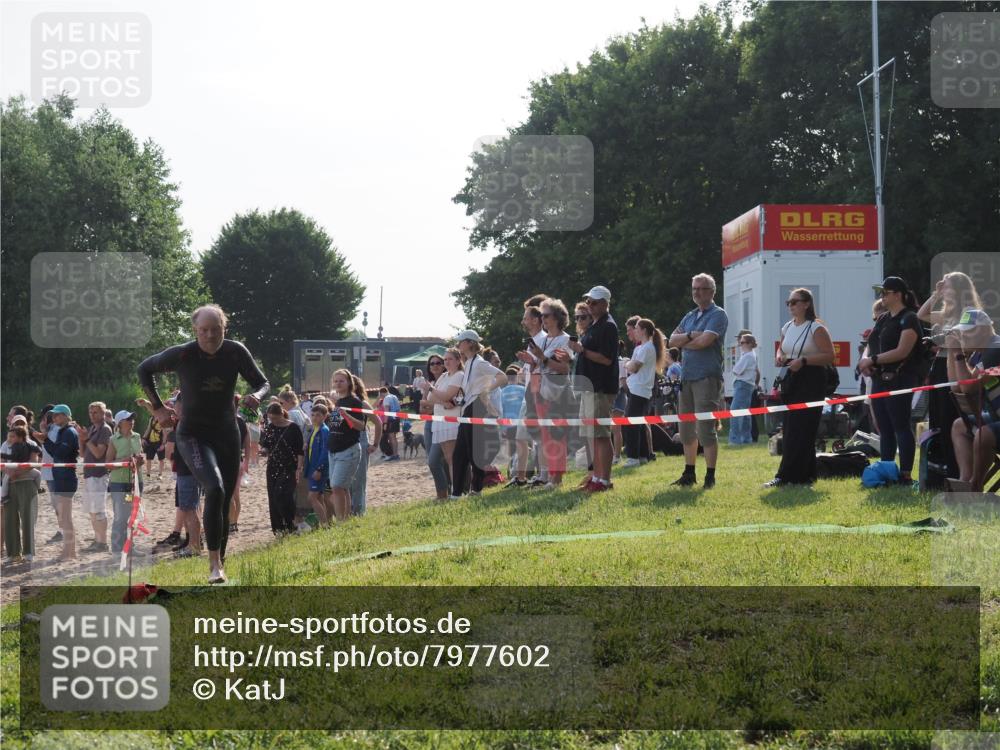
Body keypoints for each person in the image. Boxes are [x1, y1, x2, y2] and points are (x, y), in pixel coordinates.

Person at [137, 303, 269, 584]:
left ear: (224, 328)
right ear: (196, 330)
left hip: (227, 432)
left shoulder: (235, 351)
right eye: (204, 330)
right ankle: (213, 565)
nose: (210, 335)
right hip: (193, 433)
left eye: (216, 330)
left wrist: (256, 395)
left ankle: (220, 561)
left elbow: (263, 382)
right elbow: (144, 369)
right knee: (214, 486)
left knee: (222, 501)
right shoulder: (183, 353)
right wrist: (159, 408)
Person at [763, 290, 836, 487]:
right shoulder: (787, 327)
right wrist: (780, 356)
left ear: (806, 304)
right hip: (792, 380)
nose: (790, 306)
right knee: (790, 428)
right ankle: (803, 475)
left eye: (795, 302)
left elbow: (829, 356)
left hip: (811, 381)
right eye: (789, 302)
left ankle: (786, 475)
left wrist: (803, 361)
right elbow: (782, 348)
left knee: (803, 429)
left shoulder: (816, 328)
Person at [919, 271, 984, 484]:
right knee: (938, 420)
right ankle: (943, 470)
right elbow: (922, 314)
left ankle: (957, 472)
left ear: (958, 290)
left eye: (947, 287)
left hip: (957, 367)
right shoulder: (947, 313)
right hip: (940, 367)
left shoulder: (968, 313)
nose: (944, 290)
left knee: (951, 418)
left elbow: (968, 341)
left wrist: (947, 341)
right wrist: (936, 294)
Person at [858, 277, 922, 486]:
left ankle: (905, 474)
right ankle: (887, 470)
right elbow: (873, 346)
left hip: (900, 379)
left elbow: (903, 351)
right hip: (879, 379)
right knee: (884, 428)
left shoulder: (909, 318)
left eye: (885, 292)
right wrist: (867, 364)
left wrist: (873, 360)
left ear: (898, 294)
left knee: (901, 425)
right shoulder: (883, 318)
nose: (882, 296)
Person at [668, 273, 729, 488]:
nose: (697, 292)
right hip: (687, 378)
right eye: (694, 288)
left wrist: (687, 340)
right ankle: (689, 472)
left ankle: (710, 476)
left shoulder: (718, 315)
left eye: (701, 288)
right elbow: (671, 341)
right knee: (685, 430)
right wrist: (692, 336)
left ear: (712, 292)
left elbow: (705, 342)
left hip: (707, 378)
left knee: (705, 430)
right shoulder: (690, 316)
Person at [567, 286, 620, 492]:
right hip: (590, 388)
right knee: (593, 436)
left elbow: (607, 359)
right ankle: (596, 477)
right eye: (588, 301)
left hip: (601, 387)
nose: (590, 305)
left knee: (601, 435)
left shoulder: (608, 326)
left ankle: (604, 480)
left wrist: (583, 350)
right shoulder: (595, 325)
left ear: (606, 303)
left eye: (594, 302)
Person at [946, 309, 1000, 492]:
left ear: (984, 330)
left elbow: (969, 386)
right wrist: (953, 353)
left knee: (983, 434)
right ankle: (965, 480)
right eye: (962, 332)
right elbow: (956, 386)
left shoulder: (995, 348)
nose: (964, 336)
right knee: (959, 426)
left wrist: (958, 354)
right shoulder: (980, 352)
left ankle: (975, 487)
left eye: (968, 332)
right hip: (996, 416)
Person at [450, 331, 506, 497]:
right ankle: (457, 493)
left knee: (474, 451)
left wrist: (486, 390)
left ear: (470, 343)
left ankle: (476, 489)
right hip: (469, 407)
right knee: (460, 452)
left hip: (477, 407)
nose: (458, 344)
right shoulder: (468, 363)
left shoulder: (480, 363)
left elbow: (502, 377)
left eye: (460, 342)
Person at [527, 298, 574, 488]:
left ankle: (557, 478)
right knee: (545, 435)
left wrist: (541, 358)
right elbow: (542, 364)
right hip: (541, 391)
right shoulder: (545, 340)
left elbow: (564, 369)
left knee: (556, 435)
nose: (542, 319)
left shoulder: (566, 340)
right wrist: (531, 361)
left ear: (557, 317)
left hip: (557, 392)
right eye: (541, 315)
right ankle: (549, 475)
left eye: (545, 315)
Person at [511, 303, 551, 487]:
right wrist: (525, 367)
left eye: (526, 317)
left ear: (536, 320)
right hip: (529, 392)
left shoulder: (544, 339)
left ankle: (544, 475)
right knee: (521, 436)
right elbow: (533, 365)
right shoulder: (532, 341)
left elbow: (546, 366)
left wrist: (532, 362)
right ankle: (519, 477)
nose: (523, 321)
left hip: (539, 393)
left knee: (539, 437)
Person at [36, 404, 79, 560]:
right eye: (53, 416)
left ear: (66, 416)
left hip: (65, 478)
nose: (54, 418)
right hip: (62, 477)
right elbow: (57, 453)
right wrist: (46, 439)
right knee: (64, 517)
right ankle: (69, 552)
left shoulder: (68, 432)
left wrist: (45, 440)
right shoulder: (64, 431)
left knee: (65, 517)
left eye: (57, 415)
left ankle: (69, 552)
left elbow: (59, 453)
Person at [623, 318, 667, 466]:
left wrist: (627, 363)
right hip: (637, 388)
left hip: (640, 389)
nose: (634, 330)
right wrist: (630, 364)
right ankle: (642, 455)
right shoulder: (639, 348)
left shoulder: (648, 347)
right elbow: (633, 365)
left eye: (636, 328)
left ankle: (632, 457)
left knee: (631, 424)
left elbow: (634, 366)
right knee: (638, 424)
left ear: (643, 331)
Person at [327, 369, 366, 520]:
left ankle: (341, 521)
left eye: (341, 380)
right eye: (335, 381)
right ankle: (346, 519)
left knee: (337, 487)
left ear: (349, 382)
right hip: (334, 450)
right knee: (340, 488)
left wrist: (346, 415)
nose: (338, 383)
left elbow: (361, 426)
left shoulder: (355, 401)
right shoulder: (338, 402)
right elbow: (334, 425)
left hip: (348, 450)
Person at [260, 402, 304, 535]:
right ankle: (279, 529)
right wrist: (263, 450)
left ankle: (291, 523)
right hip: (273, 467)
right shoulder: (269, 428)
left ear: (281, 415)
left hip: (289, 467)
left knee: (283, 495)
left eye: (274, 418)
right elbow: (266, 445)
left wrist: (299, 468)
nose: (272, 421)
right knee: (273, 497)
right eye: (270, 418)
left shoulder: (293, 427)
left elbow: (299, 450)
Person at [105, 410, 145, 556]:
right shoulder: (113, 439)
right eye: (128, 419)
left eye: (132, 418)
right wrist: (126, 461)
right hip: (119, 483)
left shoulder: (137, 436)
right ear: (120, 423)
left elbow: (140, 458)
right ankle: (116, 548)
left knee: (131, 515)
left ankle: (130, 547)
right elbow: (108, 464)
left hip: (135, 482)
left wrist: (140, 460)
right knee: (120, 516)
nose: (132, 421)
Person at [426, 348, 464, 499]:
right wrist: (443, 402)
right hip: (440, 420)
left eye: (450, 359)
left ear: (458, 360)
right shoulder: (443, 376)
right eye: (445, 359)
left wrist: (432, 390)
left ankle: (456, 491)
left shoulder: (459, 375)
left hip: (451, 420)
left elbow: (448, 395)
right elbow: (430, 398)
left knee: (451, 458)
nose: (447, 362)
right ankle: (453, 491)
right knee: (447, 459)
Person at [2, 424, 40, 562]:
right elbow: (2, 461)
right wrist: (10, 473)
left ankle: (29, 552)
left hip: (27, 482)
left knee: (27, 517)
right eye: (9, 435)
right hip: (11, 484)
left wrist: (18, 472)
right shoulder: (6, 445)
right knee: (10, 519)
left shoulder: (31, 444)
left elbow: (34, 463)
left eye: (13, 436)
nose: (10, 438)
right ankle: (13, 553)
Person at [79, 401, 112, 553]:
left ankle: (102, 542)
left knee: (99, 509)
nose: (92, 415)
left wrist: (86, 439)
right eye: (91, 412)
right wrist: (81, 438)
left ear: (104, 414)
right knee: (92, 509)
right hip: (89, 473)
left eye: (96, 412)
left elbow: (99, 453)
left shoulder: (105, 429)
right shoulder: (92, 428)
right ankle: (98, 540)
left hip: (99, 474)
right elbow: (82, 453)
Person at [349, 374, 381, 516]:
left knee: (358, 481)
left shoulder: (361, 403)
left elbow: (378, 421)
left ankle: (358, 513)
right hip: (344, 443)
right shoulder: (341, 402)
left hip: (361, 441)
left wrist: (375, 444)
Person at [421, 354, 450, 499]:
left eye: (438, 362)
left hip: (445, 423)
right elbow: (423, 410)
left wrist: (431, 402)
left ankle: (445, 493)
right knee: (433, 461)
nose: (435, 365)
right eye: (432, 363)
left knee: (436, 460)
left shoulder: (448, 381)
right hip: (429, 424)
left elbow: (449, 404)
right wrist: (427, 392)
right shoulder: (429, 383)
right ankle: (443, 492)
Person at [303, 403, 332, 524]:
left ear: (325, 416)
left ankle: (325, 524)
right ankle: (325, 522)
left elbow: (325, 451)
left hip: (318, 469)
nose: (314, 418)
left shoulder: (324, 430)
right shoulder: (314, 429)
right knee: (319, 497)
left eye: (318, 415)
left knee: (312, 497)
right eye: (313, 415)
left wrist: (319, 469)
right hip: (311, 467)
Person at [729, 334, 759, 445]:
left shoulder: (747, 356)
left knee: (734, 412)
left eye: (742, 343)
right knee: (745, 413)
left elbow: (736, 370)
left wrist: (735, 368)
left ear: (750, 344)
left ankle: (735, 439)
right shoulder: (750, 354)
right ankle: (747, 439)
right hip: (747, 385)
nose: (740, 345)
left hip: (743, 385)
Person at [500, 366, 526, 478]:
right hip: (522, 423)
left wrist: (502, 428)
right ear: (517, 377)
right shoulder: (523, 389)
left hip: (508, 424)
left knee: (511, 450)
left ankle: (511, 473)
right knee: (524, 448)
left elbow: (502, 411)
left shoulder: (502, 392)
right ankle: (524, 472)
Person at [140, 413, 165, 481]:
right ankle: (148, 474)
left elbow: (165, 432)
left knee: (161, 459)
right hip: (151, 441)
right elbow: (148, 429)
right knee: (148, 458)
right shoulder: (151, 419)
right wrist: (144, 438)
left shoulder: (162, 419)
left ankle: (160, 474)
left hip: (159, 442)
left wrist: (163, 444)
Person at [380, 387, 401, 462]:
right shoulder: (394, 396)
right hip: (397, 418)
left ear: (382, 393)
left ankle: (394, 455)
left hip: (391, 420)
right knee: (393, 437)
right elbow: (399, 408)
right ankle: (395, 454)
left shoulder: (386, 399)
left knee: (391, 438)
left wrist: (385, 423)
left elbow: (386, 412)